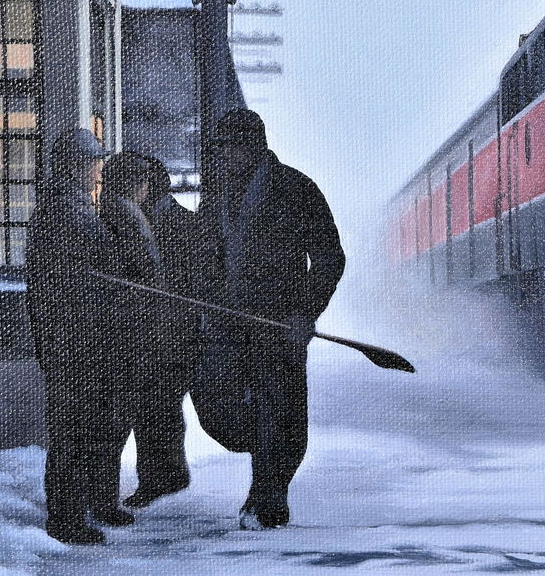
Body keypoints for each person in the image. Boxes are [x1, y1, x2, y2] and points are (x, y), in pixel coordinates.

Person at [195, 108, 346, 530]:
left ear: (251, 147)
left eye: (228, 149)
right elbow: (204, 259)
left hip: (280, 326)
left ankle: (268, 499)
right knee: (217, 411)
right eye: (219, 149)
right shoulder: (216, 197)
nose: (221, 157)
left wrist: (305, 312)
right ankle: (267, 470)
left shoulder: (297, 190)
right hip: (226, 327)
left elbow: (331, 258)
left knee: (279, 414)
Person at [23, 127, 132, 545]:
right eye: (94, 162)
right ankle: (67, 519)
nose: (99, 170)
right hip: (74, 343)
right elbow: (97, 272)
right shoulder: (67, 213)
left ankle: (96, 504)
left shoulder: (68, 208)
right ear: (75, 167)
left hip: (78, 340)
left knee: (94, 424)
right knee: (74, 431)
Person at [96, 152, 214, 509]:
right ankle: (165, 476)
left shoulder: (178, 226)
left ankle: (162, 479)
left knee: (156, 406)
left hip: (172, 335)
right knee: (154, 407)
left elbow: (195, 285)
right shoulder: (137, 220)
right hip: (150, 333)